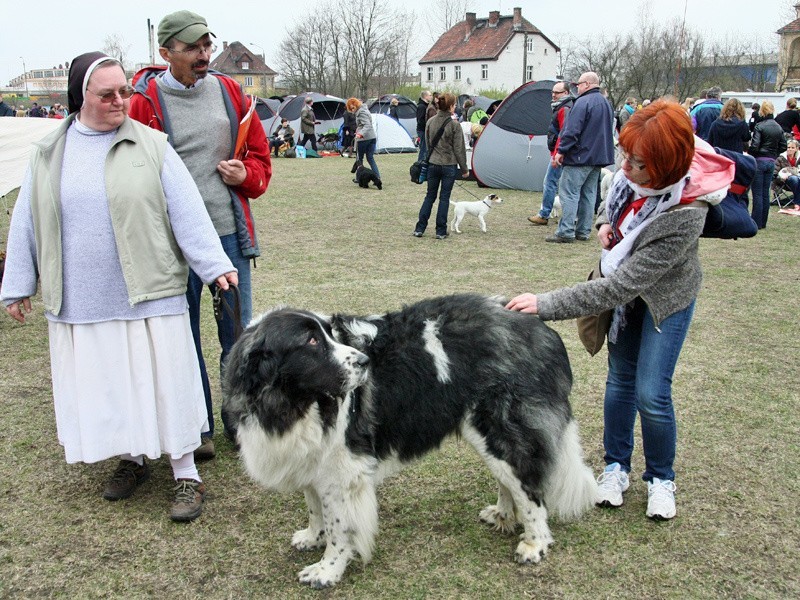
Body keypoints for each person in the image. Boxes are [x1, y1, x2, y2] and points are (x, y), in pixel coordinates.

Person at [0, 52, 238, 522]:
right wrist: (18, 284)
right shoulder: (50, 153)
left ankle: (186, 471)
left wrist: (214, 265)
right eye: (107, 94)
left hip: (150, 290)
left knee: (166, 380)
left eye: (125, 91)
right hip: (83, 295)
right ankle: (132, 457)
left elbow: (186, 209)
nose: (120, 101)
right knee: (111, 382)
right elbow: (28, 219)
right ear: (80, 98)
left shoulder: (152, 146)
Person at [507, 100, 736, 521]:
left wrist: (544, 304)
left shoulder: (686, 212)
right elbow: (608, 202)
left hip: (663, 302)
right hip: (627, 300)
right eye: (625, 155)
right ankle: (616, 467)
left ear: (667, 167)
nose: (626, 167)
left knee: (651, 393)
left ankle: (661, 478)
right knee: (620, 383)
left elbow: (621, 286)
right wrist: (603, 225)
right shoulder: (631, 177)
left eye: (639, 163)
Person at [128, 10, 271, 458]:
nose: (204, 55)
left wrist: (243, 173)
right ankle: (198, 426)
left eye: (207, 46)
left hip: (227, 236)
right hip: (171, 244)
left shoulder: (231, 92)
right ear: (165, 52)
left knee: (237, 334)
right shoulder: (143, 102)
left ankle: (239, 423)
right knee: (181, 335)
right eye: (192, 48)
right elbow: (130, 173)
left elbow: (262, 162)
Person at [548, 72, 614, 243]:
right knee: (589, 194)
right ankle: (583, 231)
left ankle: (566, 231)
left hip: (580, 157)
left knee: (569, 193)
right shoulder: (606, 103)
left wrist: (561, 151)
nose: (576, 87)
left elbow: (572, 130)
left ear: (586, 84)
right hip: (598, 158)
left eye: (578, 84)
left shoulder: (582, 102)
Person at [412, 93, 469, 239]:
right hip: (448, 165)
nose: (455, 106)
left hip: (433, 163)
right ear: (450, 106)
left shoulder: (430, 122)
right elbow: (459, 149)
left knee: (429, 196)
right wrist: (464, 169)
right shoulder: (454, 125)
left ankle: (420, 228)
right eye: (454, 104)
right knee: (444, 198)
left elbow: (427, 142)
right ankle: (440, 231)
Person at [529, 81, 574, 225]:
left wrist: (557, 154)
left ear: (566, 93)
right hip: (560, 153)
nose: (553, 95)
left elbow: (564, 133)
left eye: (557, 93)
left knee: (550, 183)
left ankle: (544, 214)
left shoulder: (564, 109)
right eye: (553, 92)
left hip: (560, 154)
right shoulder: (562, 107)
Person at [748, 100, 786, 229]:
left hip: (760, 160)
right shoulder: (778, 127)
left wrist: (752, 153)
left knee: (757, 193)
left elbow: (755, 145)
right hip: (771, 161)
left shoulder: (760, 126)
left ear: (762, 111)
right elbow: (783, 145)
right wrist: (774, 153)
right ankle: (763, 222)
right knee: (765, 193)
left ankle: (756, 222)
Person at [347, 97, 381, 180]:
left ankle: (359, 178)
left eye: (352, 108)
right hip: (372, 137)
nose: (352, 110)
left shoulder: (361, 112)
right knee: (370, 158)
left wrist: (360, 134)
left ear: (355, 105)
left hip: (364, 139)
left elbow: (367, 125)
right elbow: (365, 125)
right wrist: (358, 131)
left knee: (359, 159)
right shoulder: (365, 109)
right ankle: (377, 177)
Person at [774, 139, 800, 213]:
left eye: (792, 147)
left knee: (797, 179)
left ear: (797, 149)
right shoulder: (780, 158)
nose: (790, 149)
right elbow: (775, 174)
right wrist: (782, 177)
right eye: (788, 147)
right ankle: (797, 204)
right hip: (784, 182)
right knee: (794, 179)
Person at [416, 90, 432, 161]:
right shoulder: (422, 107)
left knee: (425, 149)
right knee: (423, 149)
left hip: (424, 130)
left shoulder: (425, 106)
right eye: (430, 95)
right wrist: (427, 126)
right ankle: (420, 164)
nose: (431, 97)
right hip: (422, 130)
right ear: (425, 96)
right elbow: (420, 120)